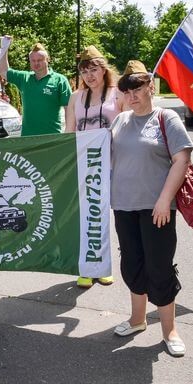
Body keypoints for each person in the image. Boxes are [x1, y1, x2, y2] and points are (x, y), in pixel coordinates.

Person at [110, 60, 193, 357]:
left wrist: (163, 200)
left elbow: (181, 160)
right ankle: (137, 319)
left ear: (150, 87)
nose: (131, 94)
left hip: (156, 207)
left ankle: (169, 329)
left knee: (159, 267)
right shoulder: (120, 121)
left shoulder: (166, 117)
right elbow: (104, 159)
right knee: (132, 264)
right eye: (126, 89)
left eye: (137, 87)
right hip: (123, 206)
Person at [65, 45, 123, 289]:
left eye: (94, 70)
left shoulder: (117, 94)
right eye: (84, 71)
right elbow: (69, 131)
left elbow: (127, 127)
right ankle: (86, 268)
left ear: (103, 70)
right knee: (85, 218)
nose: (89, 75)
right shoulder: (75, 97)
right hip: (83, 166)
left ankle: (103, 267)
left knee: (104, 217)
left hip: (111, 165)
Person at [0, 41, 72, 135]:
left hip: (52, 139)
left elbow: (69, 109)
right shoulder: (24, 78)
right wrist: (4, 47)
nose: (36, 63)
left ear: (47, 59)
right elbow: (3, 71)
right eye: (33, 60)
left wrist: (68, 135)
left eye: (40, 60)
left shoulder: (60, 80)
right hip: (28, 139)